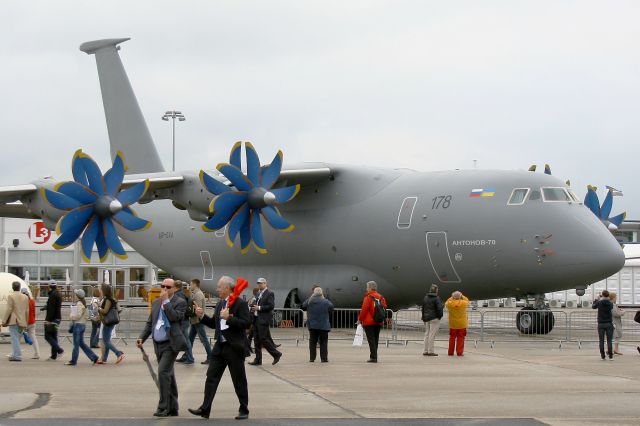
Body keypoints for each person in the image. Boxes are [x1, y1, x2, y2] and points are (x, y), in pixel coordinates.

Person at [188, 276, 251, 420]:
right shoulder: (220, 304)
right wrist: (202, 316)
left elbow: (247, 323)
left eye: (219, 287)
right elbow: (213, 324)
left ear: (227, 288)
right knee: (211, 377)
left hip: (234, 348)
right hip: (220, 347)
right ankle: (205, 409)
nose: (217, 289)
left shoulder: (240, 303)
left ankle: (244, 409)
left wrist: (229, 318)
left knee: (239, 380)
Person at [137, 278, 188, 417]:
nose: (165, 289)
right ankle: (173, 407)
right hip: (157, 343)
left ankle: (163, 406)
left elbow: (174, 317)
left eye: (168, 287)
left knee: (163, 372)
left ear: (174, 289)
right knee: (168, 374)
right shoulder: (155, 303)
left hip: (171, 344)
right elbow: (150, 324)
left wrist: (166, 302)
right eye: (163, 286)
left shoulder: (180, 302)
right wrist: (142, 337)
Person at [248, 277, 282, 366]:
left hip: (263, 319)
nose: (259, 284)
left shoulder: (269, 293)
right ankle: (258, 359)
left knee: (263, 339)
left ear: (265, 284)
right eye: (258, 283)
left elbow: (271, 306)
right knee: (256, 340)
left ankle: (276, 354)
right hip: (256, 319)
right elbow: (255, 303)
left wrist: (259, 308)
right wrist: (252, 306)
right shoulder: (258, 294)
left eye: (261, 283)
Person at [66, 289, 99, 366]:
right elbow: (87, 316)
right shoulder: (83, 304)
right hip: (82, 325)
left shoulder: (79, 304)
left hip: (78, 326)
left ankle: (73, 361)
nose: (74, 296)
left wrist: (71, 316)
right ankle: (94, 357)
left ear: (78, 296)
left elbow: (77, 316)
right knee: (82, 343)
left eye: (75, 295)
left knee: (76, 345)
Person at [357, 281, 388, 363]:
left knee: (371, 340)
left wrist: (360, 319)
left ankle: (373, 357)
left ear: (370, 288)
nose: (366, 288)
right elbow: (385, 307)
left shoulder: (367, 297)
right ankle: (374, 356)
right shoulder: (381, 297)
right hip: (378, 321)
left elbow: (364, 310)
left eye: (367, 287)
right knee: (376, 339)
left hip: (368, 322)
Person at [301, 286, 334, 362]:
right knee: (323, 342)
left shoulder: (310, 301)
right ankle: (324, 358)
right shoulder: (325, 301)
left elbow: (303, 306)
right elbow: (332, 307)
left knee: (312, 342)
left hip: (312, 325)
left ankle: (312, 358)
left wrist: (311, 296)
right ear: (321, 293)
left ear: (314, 293)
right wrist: (323, 297)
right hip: (323, 325)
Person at [97, 283, 125, 365]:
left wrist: (98, 308)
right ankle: (104, 359)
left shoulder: (108, 299)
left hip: (108, 322)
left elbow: (105, 311)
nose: (100, 291)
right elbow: (119, 310)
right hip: (111, 321)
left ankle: (119, 354)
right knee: (107, 341)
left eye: (101, 289)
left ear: (104, 290)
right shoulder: (112, 299)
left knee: (106, 342)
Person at [2, 281, 29, 361]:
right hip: (22, 320)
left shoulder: (11, 296)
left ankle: (17, 355)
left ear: (12, 287)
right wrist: (26, 321)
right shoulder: (25, 297)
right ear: (19, 287)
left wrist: (4, 320)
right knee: (17, 338)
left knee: (14, 339)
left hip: (14, 320)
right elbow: (27, 311)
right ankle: (14, 354)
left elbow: (9, 309)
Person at [188, 278, 212, 365]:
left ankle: (210, 356)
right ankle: (187, 355)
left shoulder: (198, 294)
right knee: (189, 339)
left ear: (195, 284)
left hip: (198, 320)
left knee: (204, 340)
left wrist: (189, 313)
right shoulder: (196, 293)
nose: (190, 286)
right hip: (195, 321)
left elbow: (197, 308)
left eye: (191, 284)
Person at [41, 280, 64, 360]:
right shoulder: (58, 294)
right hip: (58, 318)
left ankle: (59, 350)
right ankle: (53, 356)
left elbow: (51, 309)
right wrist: (45, 307)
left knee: (47, 336)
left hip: (52, 319)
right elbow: (52, 306)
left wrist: (48, 320)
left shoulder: (52, 295)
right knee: (54, 336)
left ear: (49, 286)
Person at [175, 280, 195, 365]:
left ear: (175, 287)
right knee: (185, 340)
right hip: (185, 320)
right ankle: (186, 356)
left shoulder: (179, 295)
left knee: (186, 340)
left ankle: (190, 358)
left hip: (183, 321)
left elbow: (181, 309)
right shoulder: (183, 294)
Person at [421, 284, 444, 356]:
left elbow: (423, 308)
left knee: (427, 334)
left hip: (427, 318)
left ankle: (425, 350)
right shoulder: (437, 298)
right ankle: (431, 351)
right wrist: (440, 316)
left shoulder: (425, 297)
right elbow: (439, 308)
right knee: (432, 335)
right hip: (434, 318)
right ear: (436, 290)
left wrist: (423, 317)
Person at [445, 291, 469, 356]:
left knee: (452, 338)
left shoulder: (449, 304)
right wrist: (462, 296)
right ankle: (459, 352)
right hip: (462, 324)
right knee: (461, 338)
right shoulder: (464, 303)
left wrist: (452, 297)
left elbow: (446, 302)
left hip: (453, 324)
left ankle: (450, 352)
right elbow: (467, 300)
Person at [592, 290, 614, 360]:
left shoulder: (599, 302)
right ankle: (610, 355)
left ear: (602, 295)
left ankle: (603, 356)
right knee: (609, 340)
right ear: (608, 295)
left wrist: (597, 299)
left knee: (601, 340)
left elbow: (593, 307)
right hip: (609, 323)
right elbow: (611, 307)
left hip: (601, 323)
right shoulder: (610, 303)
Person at [21, 288, 40, 360]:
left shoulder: (22, 302)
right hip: (32, 321)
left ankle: (16, 352)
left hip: (24, 322)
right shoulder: (32, 301)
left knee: (18, 338)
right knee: (34, 338)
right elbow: (34, 312)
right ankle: (37, 354)